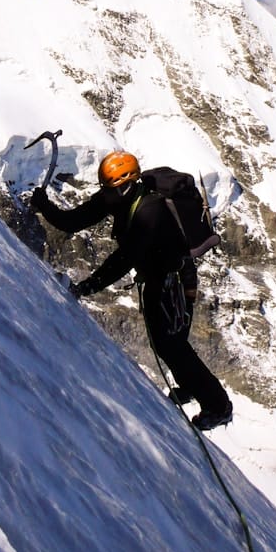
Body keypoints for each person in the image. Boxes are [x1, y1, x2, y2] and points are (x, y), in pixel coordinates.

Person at [31, 150, 233, 431]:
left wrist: (86, 287)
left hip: (171, 278)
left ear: (125, 185)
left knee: (169, 344)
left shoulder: (150, 212)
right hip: (160, 276)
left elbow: (122, 260)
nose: (107, 194)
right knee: (169, 342)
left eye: (110, 188)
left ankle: (218, 406)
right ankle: (191, 386)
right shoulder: (116, 197)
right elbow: (75, 220)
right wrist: (45, 206)